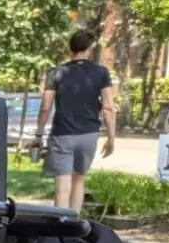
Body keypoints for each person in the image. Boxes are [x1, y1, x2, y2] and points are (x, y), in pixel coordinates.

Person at [35, 28, 116, 211]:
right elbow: (108, 107)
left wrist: (39, 135)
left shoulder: (56, 73)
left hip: (62, 134)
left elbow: (46, 107)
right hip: (89, 134)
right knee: (79, 180)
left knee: (62, 185)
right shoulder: (101, 72)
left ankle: (60, 223)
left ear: (71, 49)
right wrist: (111, 138)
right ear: (89, 49)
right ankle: (74, 223)